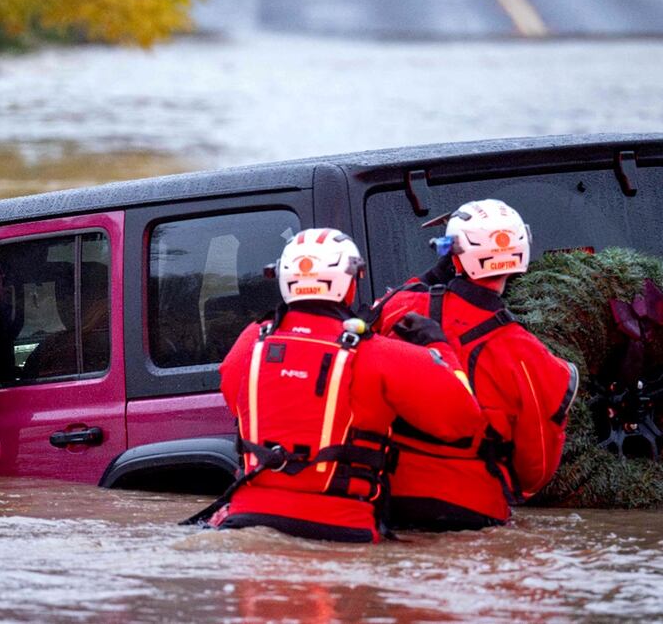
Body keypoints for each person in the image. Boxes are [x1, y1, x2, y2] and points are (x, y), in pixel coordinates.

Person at [197, 228, 482, 542]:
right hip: (344, 529)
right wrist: (438, 347)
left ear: (283, 278)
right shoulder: (379, 353)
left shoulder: (251, 340)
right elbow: (463, 421)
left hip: (245, 520)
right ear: (350, 283)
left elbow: (234, 394)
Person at [371, 199, 579, 530]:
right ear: (522, 252)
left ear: (450, 253)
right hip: (474, 512)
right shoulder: (529, 356)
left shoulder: (399, 309)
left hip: (388, 504)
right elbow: (535, 471)